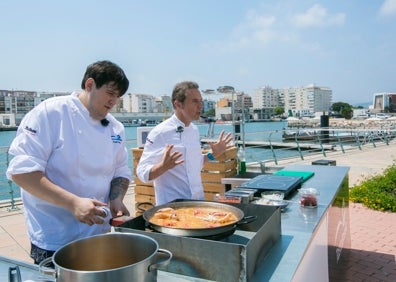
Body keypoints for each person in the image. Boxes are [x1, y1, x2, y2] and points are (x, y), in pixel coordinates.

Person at [6, 60, 131, 264]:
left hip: (99, 232)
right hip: (55, 237)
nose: (113, 101)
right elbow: (23, 173)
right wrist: (73, 203)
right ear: (89, 84)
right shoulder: (51, 113)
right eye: (110, 93)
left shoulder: (115, 128)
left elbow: (120, 170)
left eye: (117, 96)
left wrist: (117, 199)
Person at [136, 81, 233, 205]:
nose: (200, 106)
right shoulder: (159, 133)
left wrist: (212, 155)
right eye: (194, 101)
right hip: (172, 209)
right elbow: (141, 173)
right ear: (178, 104)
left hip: (198, 203)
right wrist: (162, 167)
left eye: (200, 101)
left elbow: (193, 165)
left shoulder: (194, 130)